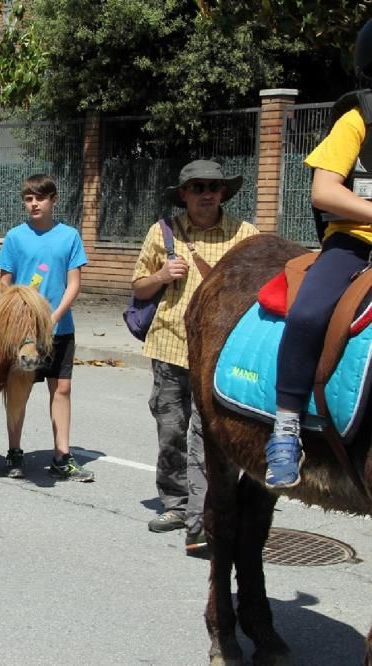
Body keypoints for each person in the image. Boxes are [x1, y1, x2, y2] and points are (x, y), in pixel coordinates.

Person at [266, 19, 372, 489]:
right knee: (309, 313)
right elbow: (324, 192)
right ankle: (286, 426)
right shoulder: (356, 120)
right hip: (355, 243)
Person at [132, 160, 258, 553]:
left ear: (224, 193)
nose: (207, 193)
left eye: (214, 187)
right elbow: (138, 288)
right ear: (184, 193)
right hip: (170, 347)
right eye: (198, 187)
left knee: (214, 437)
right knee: (171, 431)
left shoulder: (245, 235)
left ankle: (208, 512)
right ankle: (175, 503)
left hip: (222, 354)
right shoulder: (163, 232)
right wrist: (161, 275)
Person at [0, 173, 94, 482]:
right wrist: (19, 317)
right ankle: (14, 453)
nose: (34, 203)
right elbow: (4, 282)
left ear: (53, 200)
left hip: (59, 328)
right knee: (19, 391)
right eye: (28, 199)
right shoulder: (15, 237)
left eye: (40, 198)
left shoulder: (69, 237)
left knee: (61, 388)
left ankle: (62, 457)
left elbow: (74, 284)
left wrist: (51, 318)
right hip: (24, 335)